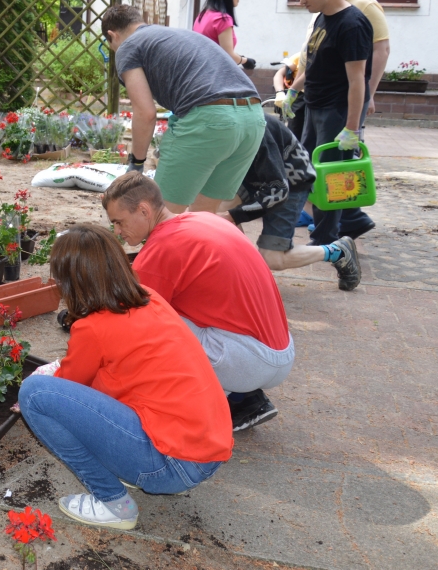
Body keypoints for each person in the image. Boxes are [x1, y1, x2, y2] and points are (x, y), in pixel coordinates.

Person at [17, 225, 231, 532]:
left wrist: (49, 373)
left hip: (171, 465)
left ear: (68, 282)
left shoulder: (93, 327)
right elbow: (113, 377)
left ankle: (112, 502)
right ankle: (131, 467)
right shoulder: (150, 298)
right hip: (204, 452)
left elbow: (69, 388)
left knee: (34, 394)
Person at [101, 172, 296, 431]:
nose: (117, 232)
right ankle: (242, 397)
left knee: (143, 326)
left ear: (144, 210)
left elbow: (130, 329)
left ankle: (199, 407)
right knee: (167, 308)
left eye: (119, 222)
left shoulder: (159, 251)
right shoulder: (204, 218)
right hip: (282, 350)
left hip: (250, 363)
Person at [101, 3, 266, 213]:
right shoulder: (174, 35)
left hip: (210, 119)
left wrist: (137, 165)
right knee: (202, 218)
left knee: (160, 216)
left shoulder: (128, 46)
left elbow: (145, 113)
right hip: (252, 118)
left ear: (112, 35)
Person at [281, 0, 375, 244]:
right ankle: (351, 222)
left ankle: (326, 238)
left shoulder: (352, 24)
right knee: (309, 172)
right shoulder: (323, 18)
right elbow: (315, 66)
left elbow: (357, 80)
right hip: (315, 106)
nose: (302, 1)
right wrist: (293, 92)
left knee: (331, 178)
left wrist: (351, 127)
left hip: (337, 112)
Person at [219, 116, 361, 290]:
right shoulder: (201, 122)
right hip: (250, 178)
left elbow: (278, 190)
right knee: (214, 216)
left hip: (290, 182)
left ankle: (338, 251)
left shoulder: (256, 130)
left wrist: (233, 216)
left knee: (272, 258)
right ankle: (245, 271)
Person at [192, 0, 256, 71]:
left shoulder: (202, 15)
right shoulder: (222, 19)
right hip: (213, 73)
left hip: (199, 70)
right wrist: (245, 61)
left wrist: (239, 57)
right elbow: (228, 55)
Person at [272, 52, 306, 139]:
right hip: (298, 96)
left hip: (321, 97)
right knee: (295, 132)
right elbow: (280, 74)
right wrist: (280, 93)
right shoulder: (301, 54)